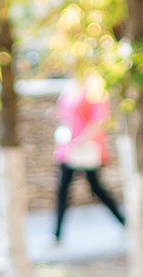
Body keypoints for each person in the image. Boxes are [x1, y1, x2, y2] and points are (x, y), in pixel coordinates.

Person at [50, 74, 126, 242]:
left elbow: (100, 119)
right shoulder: (70, 87)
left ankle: (124, 222)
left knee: (96, 188)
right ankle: (56, 234)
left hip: (86, 149)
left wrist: (83, 139)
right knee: (63, 189)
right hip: (68, 149)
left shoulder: (93, 88)